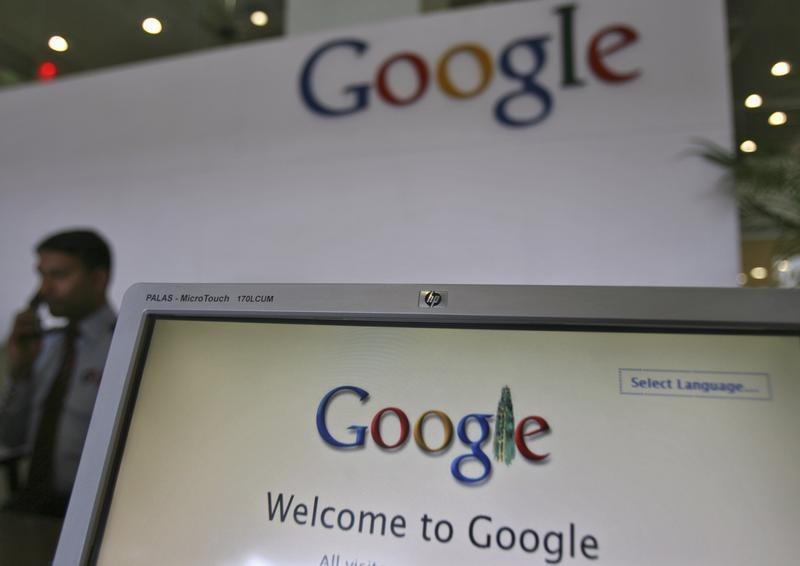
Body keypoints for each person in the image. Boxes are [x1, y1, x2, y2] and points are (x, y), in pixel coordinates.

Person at [0, 229, 115, 517]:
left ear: (98, 279)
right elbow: (10, 438)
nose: (45, 289)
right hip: (32, 506)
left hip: (91, 512)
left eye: (60, 275)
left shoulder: (126, 344)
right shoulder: (44, 345)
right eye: (42, 275)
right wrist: (20, 373)